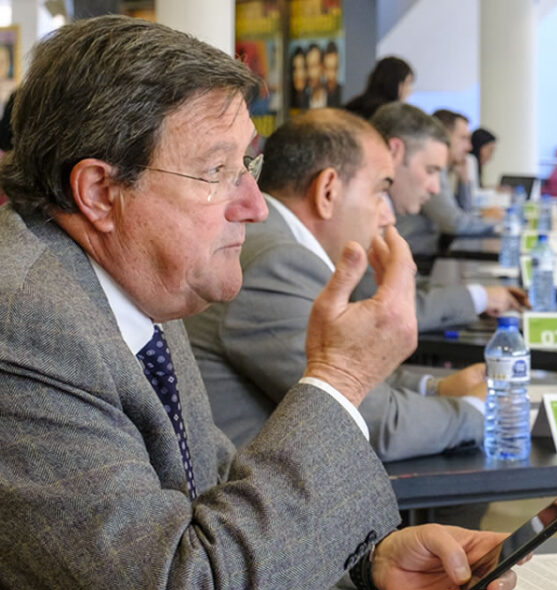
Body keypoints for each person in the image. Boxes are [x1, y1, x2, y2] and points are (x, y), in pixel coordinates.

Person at [0, 16, 513, 590]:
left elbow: (205, 489)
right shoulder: (25, 325)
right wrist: (339, 378)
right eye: (217, 170)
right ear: (101, 191)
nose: (255, 204)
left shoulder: (136, 285)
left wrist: (369, 562)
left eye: (250, 163)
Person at [184, 109, 486, 460]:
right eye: (379, 192)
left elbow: (344, 370)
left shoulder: (280, 247)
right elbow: (371, 419)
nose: (387, 215)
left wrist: (435, 387)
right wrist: (477, 413)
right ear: (327, 191)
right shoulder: (277, 263)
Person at [366, 102, 526, 328]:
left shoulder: (382, 208)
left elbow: (404, 289)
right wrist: (478, 297)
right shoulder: (361, 219)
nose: (435, 189)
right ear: (395, 152)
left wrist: (478, 295)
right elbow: (390, 310)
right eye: (430, 171)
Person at [394, 109, 500, 258]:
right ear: (442, 136)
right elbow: (454, 223)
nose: (469, 147)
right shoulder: (429, 171)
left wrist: (464, 182)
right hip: (419, 259)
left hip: (424, 256)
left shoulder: (442, 170)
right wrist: (498, 225)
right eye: (463, 138)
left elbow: (463, 213)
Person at [345, 55, 414, 120]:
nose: (410, 90)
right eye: (407, 83)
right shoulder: (390, 116)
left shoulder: (353, 106)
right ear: (394, 84)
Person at [306, 43, 326, 109]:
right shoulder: (303, 99)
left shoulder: (331, 97)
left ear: (322, 67)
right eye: (307, 67)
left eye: (313, 66)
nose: (309, 73)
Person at [323, 40, 343, 107]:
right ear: (323, 69)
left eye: (335, 69)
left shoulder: (342, 92)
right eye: (329, 69)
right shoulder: (320, 93)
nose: (332, 75)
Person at [289, 45, 309, 109]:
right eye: (295, 69)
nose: (298, 75)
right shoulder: (287, 100)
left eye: (301, 68)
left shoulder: (312, 100)